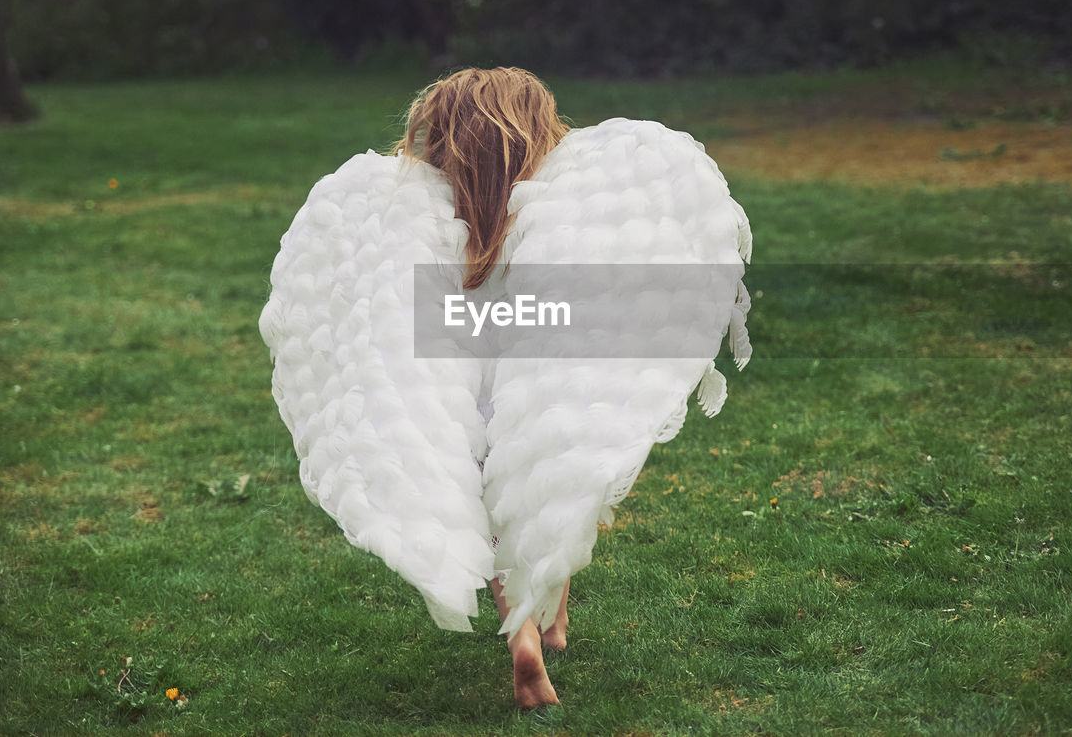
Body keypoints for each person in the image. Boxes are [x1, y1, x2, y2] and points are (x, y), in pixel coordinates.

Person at [260, 67, 751, 708]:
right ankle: (552, 614)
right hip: (535, 367)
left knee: (489, 510)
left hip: (459, 372)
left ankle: (520, 632)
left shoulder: (419, 204)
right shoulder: (561, 201)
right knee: (554, 471)